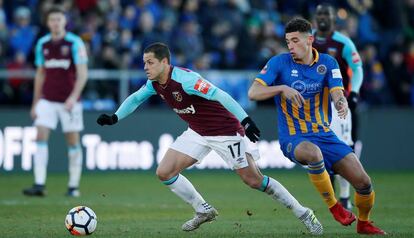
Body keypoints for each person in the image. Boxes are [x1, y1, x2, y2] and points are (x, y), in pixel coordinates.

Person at [97, 42, 323, 235]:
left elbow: (220, 94)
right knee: (164, 172)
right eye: (144, 63)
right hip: (198, 131)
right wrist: (115, 117)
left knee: (254, 180)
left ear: (164, 62)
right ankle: (203, 210)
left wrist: (244, 120)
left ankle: (303, 212)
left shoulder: (186, 80)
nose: (145, 67)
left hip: (225, 132)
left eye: (150, 62)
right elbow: (136, 99)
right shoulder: (154, 83)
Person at [247, 18, 385, 235]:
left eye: (295, 41)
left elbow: (337, 92)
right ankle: (334, 207)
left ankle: (364, 223)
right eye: (287, 41)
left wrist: (341, 103)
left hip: (324, 134)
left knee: (364, 183)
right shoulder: (279, 63)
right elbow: (253, 93)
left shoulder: (329, 63)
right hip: (293, 137)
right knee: (313, 154)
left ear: (309, 40)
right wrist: (282, 88)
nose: (290, 46)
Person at [23, 6, 88, 197]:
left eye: (59, 19)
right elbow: (40, 74)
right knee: (40, 136)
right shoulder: (42, 43)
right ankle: (39, 183)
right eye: (52, 20)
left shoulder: (74, 42)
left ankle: (73, 185)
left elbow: (83, 74)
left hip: (70, 101)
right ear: (47, 22)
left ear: (64, 21)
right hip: (48, 100)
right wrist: (35, 102)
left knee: (72, 141)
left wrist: (73, 97)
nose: (56, 23)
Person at [313, 3, 364, 210]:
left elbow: (357, 68)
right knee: (321, 150)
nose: (323, 17)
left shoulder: (343, 43)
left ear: (334, 18)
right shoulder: (309, 40)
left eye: (327, 13)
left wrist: (354, 93)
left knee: (343, 149)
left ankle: (344, 196)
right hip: (316, 105)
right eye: (319, 14)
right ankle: (333, 197)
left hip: (338, 104)